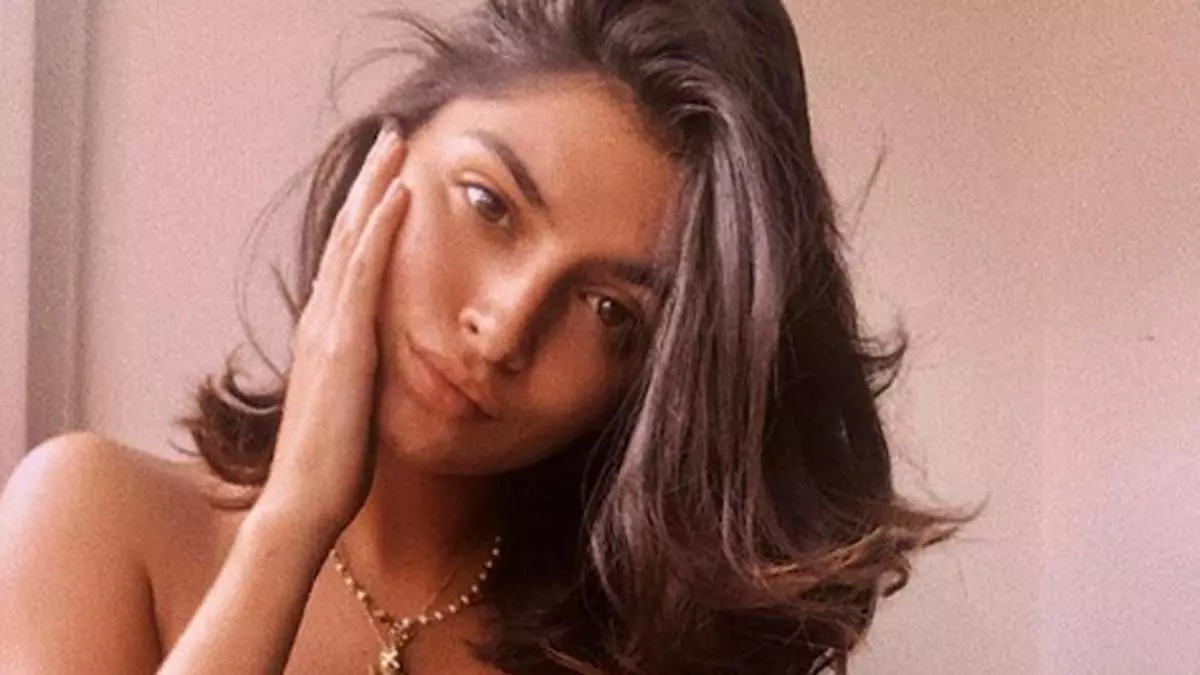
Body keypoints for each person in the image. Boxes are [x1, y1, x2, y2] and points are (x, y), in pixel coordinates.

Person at [0, 1, 974, 673]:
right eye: (489, 204)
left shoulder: (633, 647)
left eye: (610, 310)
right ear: (386, 159)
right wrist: (291, 525)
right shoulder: (97, 519)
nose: (505, 327)